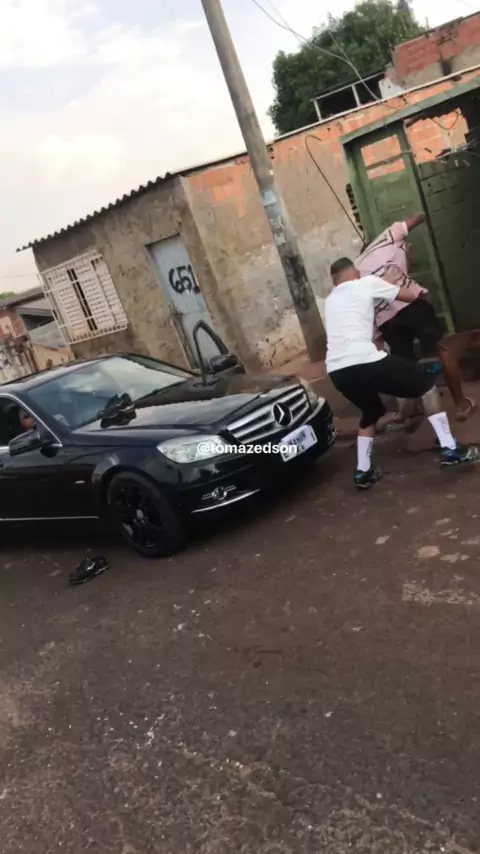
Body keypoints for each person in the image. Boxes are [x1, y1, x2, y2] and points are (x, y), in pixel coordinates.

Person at [325, 258, 480, 489]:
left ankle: (363, 471)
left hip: (337, 371)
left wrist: (381, 286)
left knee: (370, 412)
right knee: (426, 385)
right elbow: (409, 297)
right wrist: (389, 282)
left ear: (335, 281)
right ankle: (450, 448)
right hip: (364, 360)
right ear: (355, 273)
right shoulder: (366, 283)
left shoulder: (330, 301)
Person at [356, 214, 475, 421]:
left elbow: (365, 305)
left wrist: (376, 337)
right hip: (410, 304)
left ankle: (414, 411)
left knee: (405, 364)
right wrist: (423, 217)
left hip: (386, 320)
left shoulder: (358, 268)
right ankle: (461, 405)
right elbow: (416, 218)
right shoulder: (388, 238)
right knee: (444, 348)